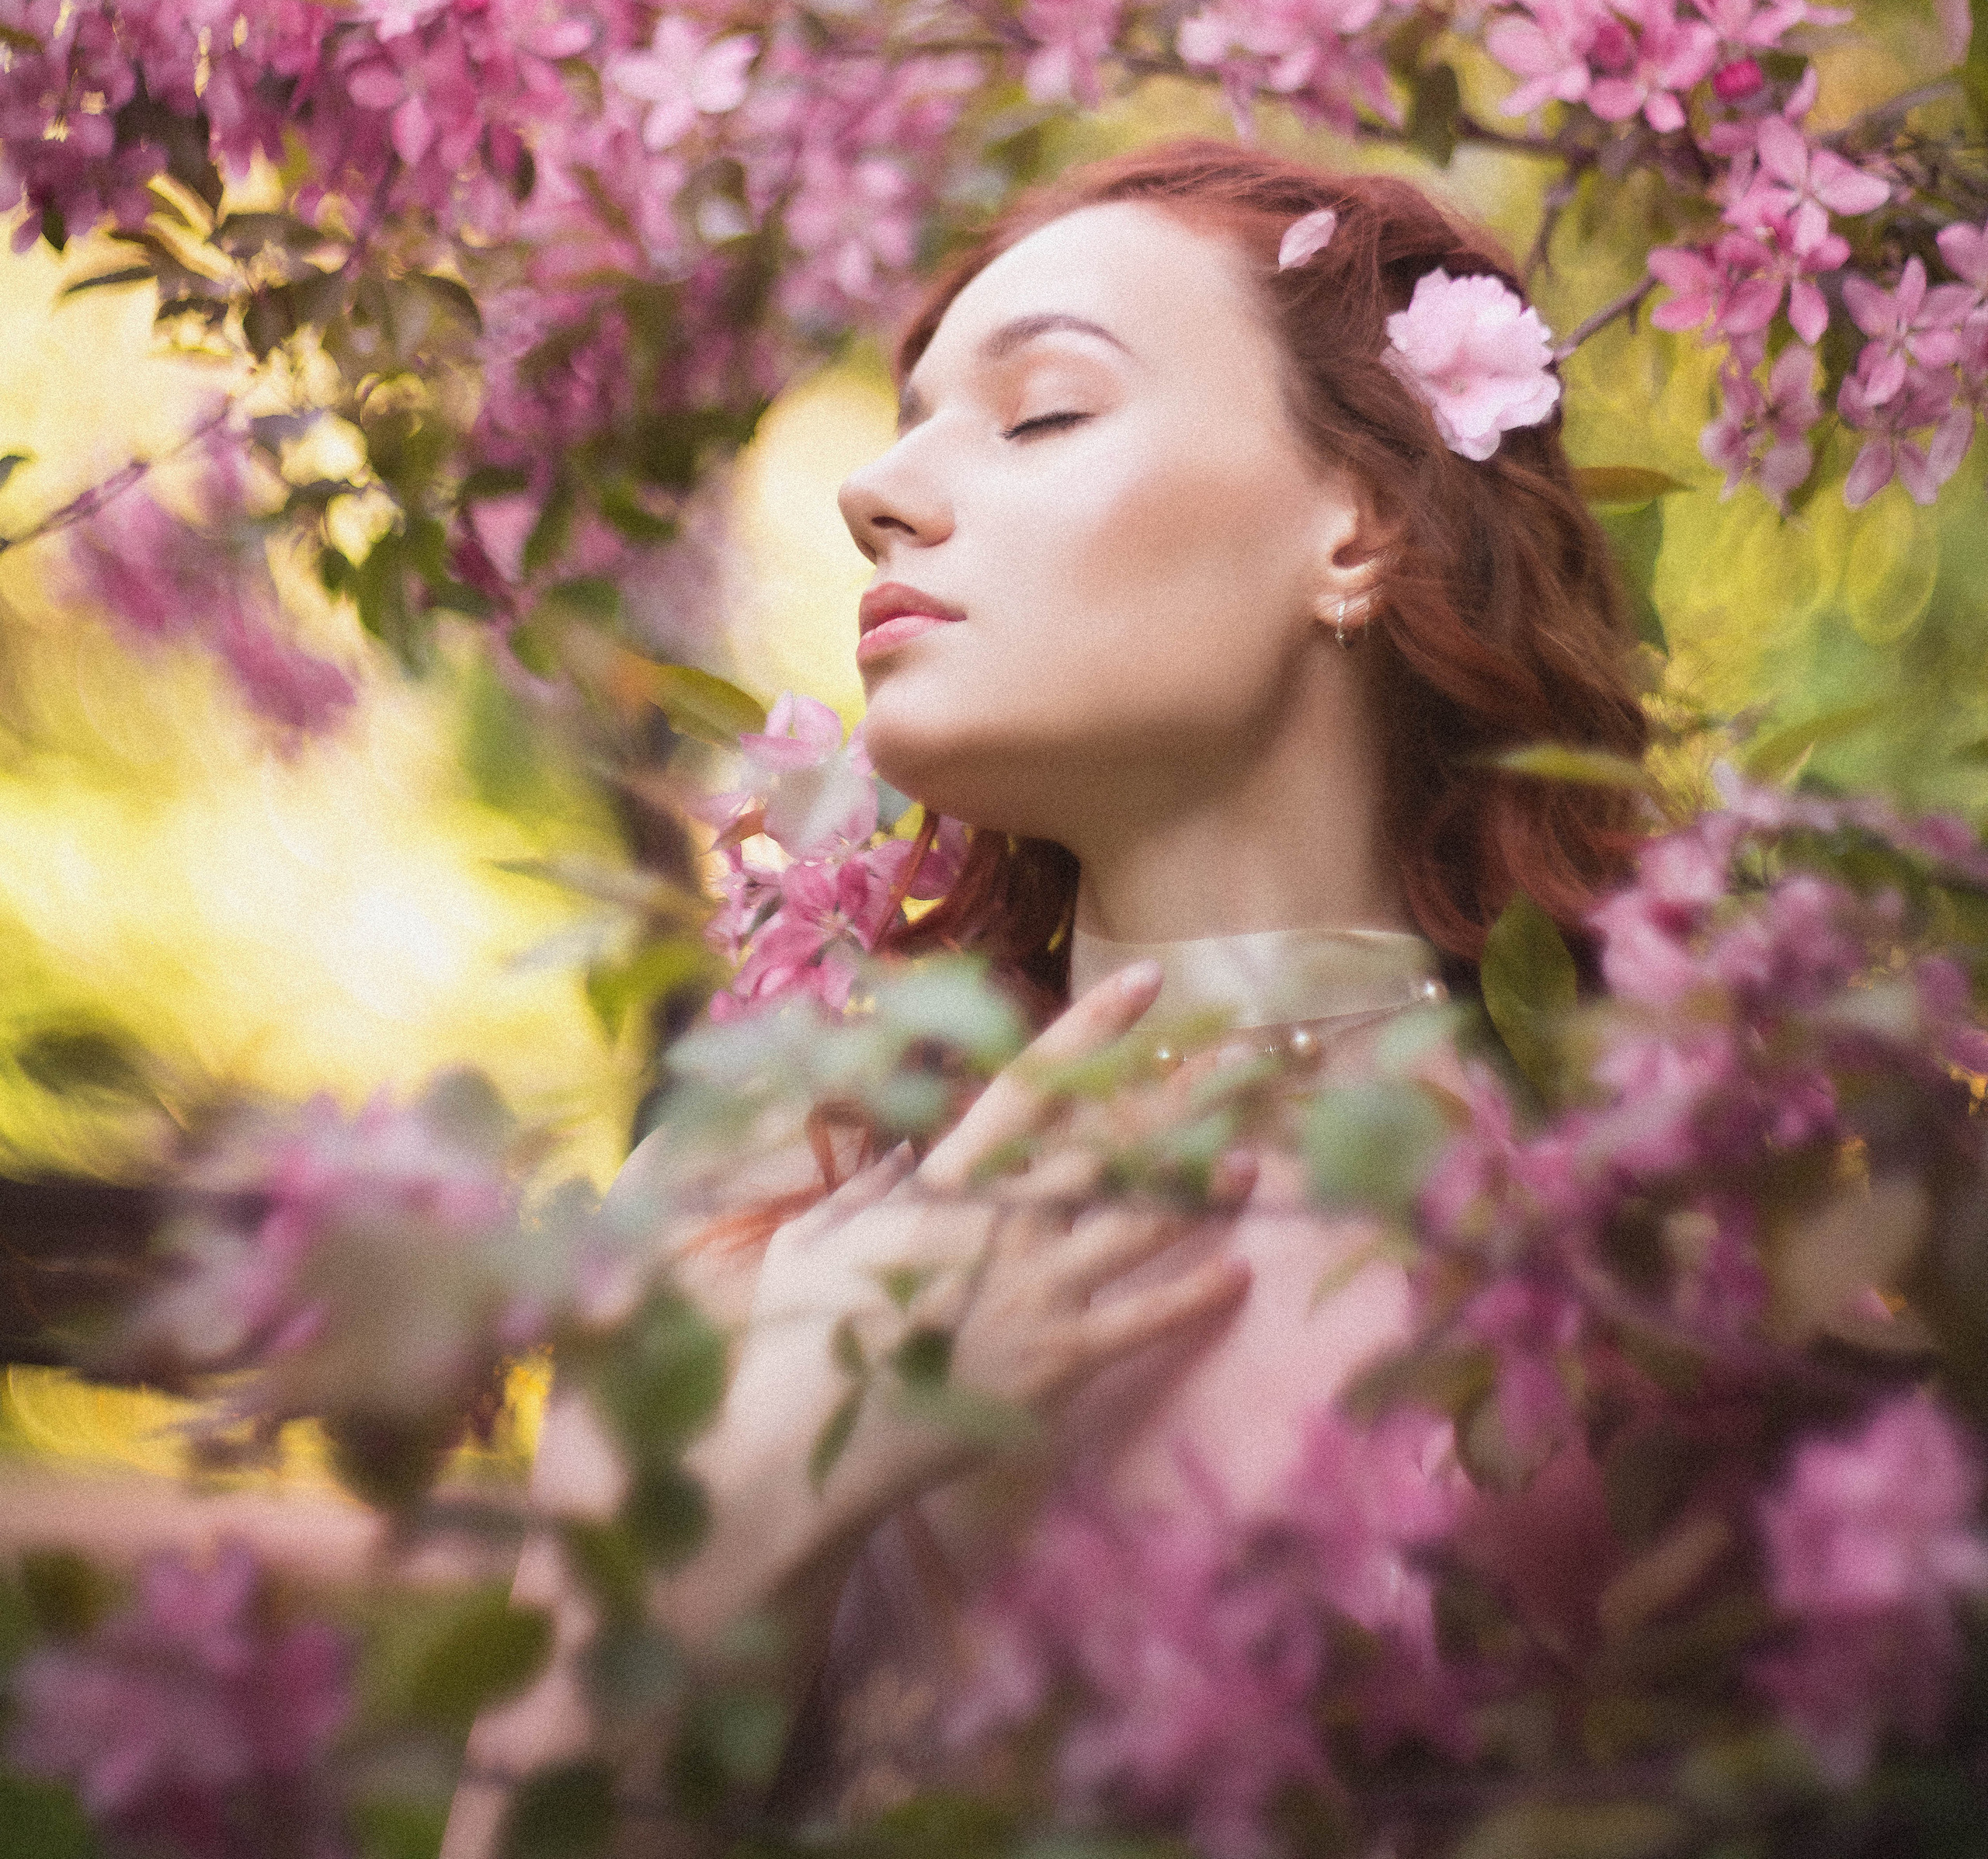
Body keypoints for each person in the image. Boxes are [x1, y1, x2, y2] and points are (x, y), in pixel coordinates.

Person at [442, 137, 1646, 1850]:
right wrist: (765, 1493)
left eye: (1043, 412)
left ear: (1361, 525)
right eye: (906, 420)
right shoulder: (759, 1192)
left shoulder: (1639, 1244)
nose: (876, 491)